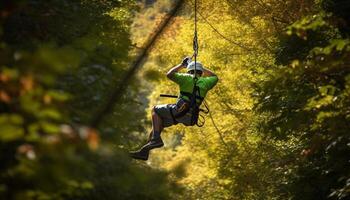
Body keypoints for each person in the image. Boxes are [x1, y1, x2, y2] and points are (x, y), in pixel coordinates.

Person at [130, 57, 218, 160]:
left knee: (155, 110)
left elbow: (169, 74)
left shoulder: (185, 77)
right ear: (201, 72)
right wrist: (201, 68)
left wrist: (182, 65)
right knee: (158, 125)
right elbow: (214, 76)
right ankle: (144, 152)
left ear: (188, 71)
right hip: (191, 118)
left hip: (178, 112)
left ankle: (155, 139)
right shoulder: (207, 82)